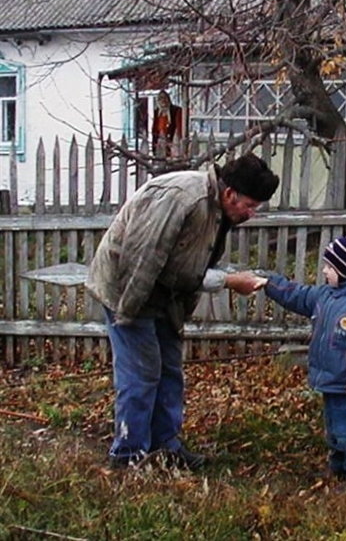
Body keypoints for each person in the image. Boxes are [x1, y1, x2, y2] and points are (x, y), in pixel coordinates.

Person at [86, 152, 279, 470]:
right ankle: (129, 455)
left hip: (164, 294)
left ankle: (165, 446)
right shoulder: (181, 199)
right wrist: (129, 312)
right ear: (230, 193)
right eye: (249, 206)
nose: (251, 214)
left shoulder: (216, 209)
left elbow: (186, 266)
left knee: (169, 370)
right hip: (130, 288)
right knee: (142, 374)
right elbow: (143, 257)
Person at [229, 234, 346, 482]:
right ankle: (338, 467)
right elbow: (297, 295)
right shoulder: (325, 295)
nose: (324, 271)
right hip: (330, 380)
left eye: (329, 267)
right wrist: (269, 284)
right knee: (335, 430)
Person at [152, 90, 183, 156]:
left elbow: (178, 128)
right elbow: (155, 130)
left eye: (165, 98)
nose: (163, 100)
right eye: (160, 98)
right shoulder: (156, 113)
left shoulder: (175, 111)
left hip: (172, 144)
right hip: (160, 144)